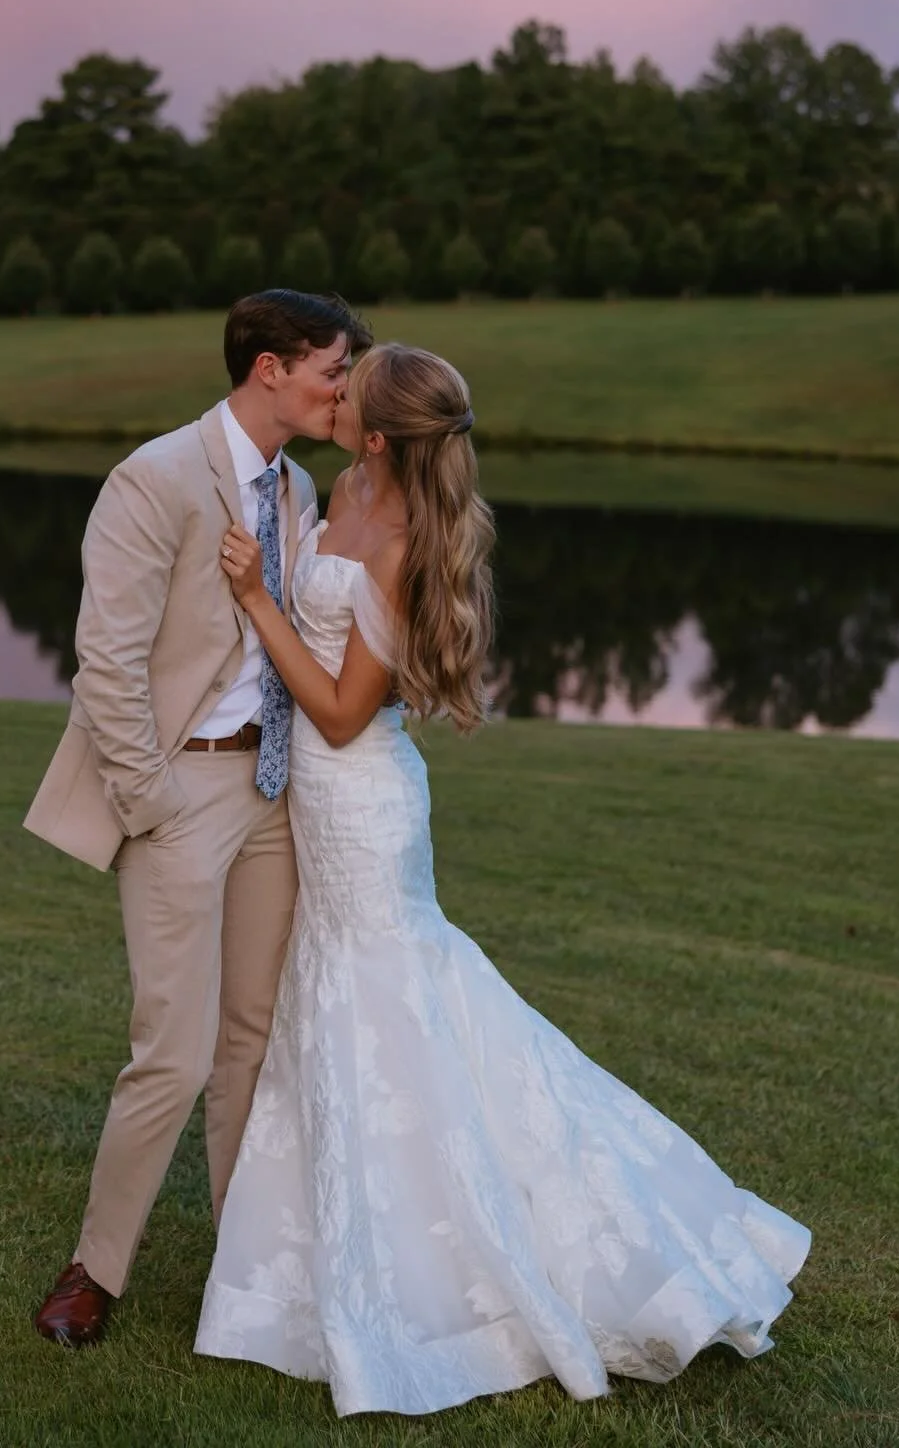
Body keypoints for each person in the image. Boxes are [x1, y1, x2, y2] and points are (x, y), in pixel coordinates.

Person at [196, 342, 810, 1418]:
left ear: (380, 433)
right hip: (321, 807)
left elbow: (343, 712)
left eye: (352, 388)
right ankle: (318, 1254)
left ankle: (469, 1271)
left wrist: (256, 602)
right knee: (347, 1009)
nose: (333, 393)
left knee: (392, 1012)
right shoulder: (343, 488)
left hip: (364, 799)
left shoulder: (404, 540)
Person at [26, 289, 371, 1348]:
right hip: (179, 795)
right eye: (330, 371)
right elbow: (107, 662)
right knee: (169, 1051)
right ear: (269, 368)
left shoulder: (300, 485)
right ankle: (95, 1270)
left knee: (251, 1042)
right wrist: (151, 801)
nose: (342, 390)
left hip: (271, 792)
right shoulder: (157, 476)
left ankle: (244, 1257)